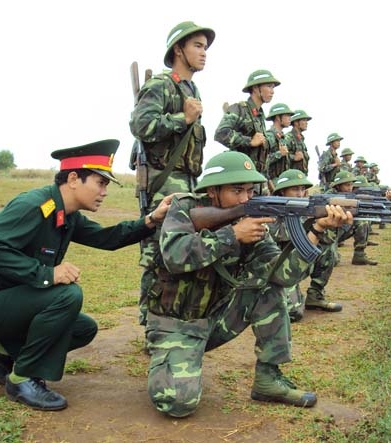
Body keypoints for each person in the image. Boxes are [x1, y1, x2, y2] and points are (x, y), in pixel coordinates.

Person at [0, 139, 173, 411]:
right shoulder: (34, 205)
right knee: (66, 295)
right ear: (73, 179)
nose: (104, 192)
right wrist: (46, 273)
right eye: (100, 183)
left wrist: (151, 219)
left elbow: (107, 238)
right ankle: (22, 379)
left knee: (82, 329)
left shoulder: (67, 215)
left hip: (5, 304)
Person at [144, 151, 353, 417]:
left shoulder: (252, 224)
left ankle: (268, 378)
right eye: (237, 190)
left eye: (250, 190)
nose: (246, 198)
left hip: (217, 318)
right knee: (177, 404)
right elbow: (175, 256)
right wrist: (231, 235)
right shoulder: (184, 208)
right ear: (213, 191)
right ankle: (168, 357)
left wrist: (316, 231)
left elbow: (281, 276)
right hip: (176, 325)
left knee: (268, 288)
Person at [129, 20, 215, 325]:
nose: (204, 53)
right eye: (197, 46)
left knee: (178, 250)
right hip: (163, 184)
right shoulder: (161, 85)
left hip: (187, 182)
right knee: (157, 254)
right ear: (178, 49)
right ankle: (150, 323)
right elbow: (141, 125)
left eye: (205, 47)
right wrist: (183, 118)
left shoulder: (190, 88)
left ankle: (169, 317)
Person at [214, 69, 281, 195]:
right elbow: (221, 134)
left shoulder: (259, 115)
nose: (272, 91)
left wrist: (267, 183)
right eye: (269, 86)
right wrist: (249, 141)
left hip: (259, 182)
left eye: (273, 87)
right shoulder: (240, 109)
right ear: (255, 88)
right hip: (242, 184)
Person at [268, 169, 316, 321]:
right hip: (274, 267)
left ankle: (315, 294)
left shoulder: (300, 208)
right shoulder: (270, 208)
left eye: (302, 189)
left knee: (326, 251)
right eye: (295, 189)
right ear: (282, 192)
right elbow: (279, 235)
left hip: (290, 264)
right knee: (294, 313)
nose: (300, 194)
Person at [329, 170, 378, 265]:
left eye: (351, 185)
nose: (350, 188)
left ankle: (359, 255)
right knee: (332, 261)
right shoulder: (328, 197)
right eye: (347, 185)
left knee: (362, 221)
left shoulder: (350, 196)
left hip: (340, 230)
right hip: (327, 234)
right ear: (338, 186)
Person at [265, 103, 295, 187]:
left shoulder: (281, 137)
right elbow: (261, 161)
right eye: (287, 115)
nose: (290, 118)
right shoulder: (269, 136)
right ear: (278, 118)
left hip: (282, 182)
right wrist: (279, 154)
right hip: (271, 183)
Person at [284, 110, 312, 175]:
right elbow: (281, 154)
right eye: (304, 120)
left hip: (301, 176)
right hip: (291, 176)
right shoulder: (289, 138)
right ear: (296, 122)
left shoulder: (301, 139)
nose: (306, 123)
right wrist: (294, 157)